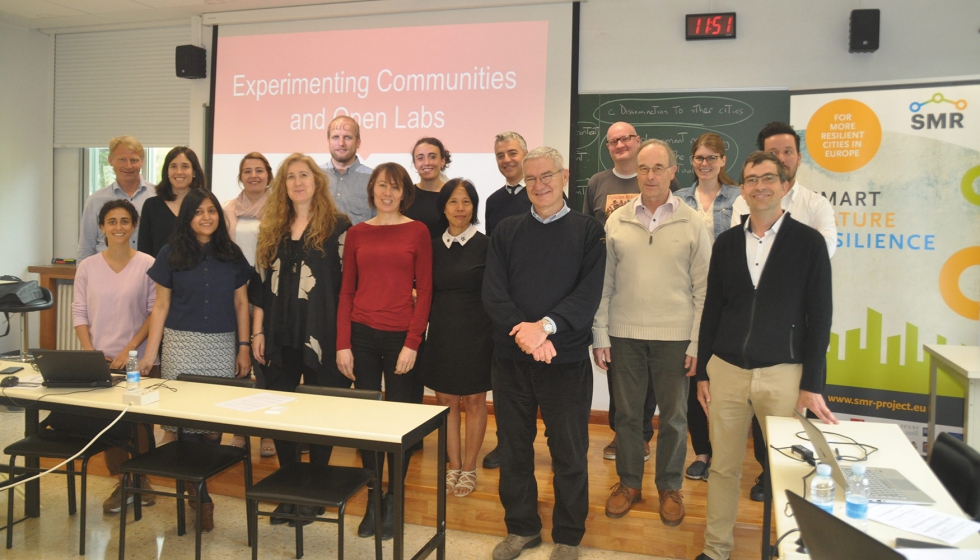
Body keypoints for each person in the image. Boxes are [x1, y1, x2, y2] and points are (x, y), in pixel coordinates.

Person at [694, 151, 837, 560]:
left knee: (790, 472)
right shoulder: (725, 244)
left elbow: (820, 317)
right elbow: (712, 311)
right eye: (752, 179)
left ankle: (790, 550)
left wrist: (812, 384)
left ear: (785, 186)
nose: (760, 186)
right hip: (727, 372)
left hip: (784, 376)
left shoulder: (808, 243)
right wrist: (704, 371)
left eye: (769, 178)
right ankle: (715, 549)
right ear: (742, 188)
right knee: (723, 468)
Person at [484, 147, 605, 560]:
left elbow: (587, 296)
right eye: (531, 178)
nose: (539, 185)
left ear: (564, 176)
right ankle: (522, 530)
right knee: (514, 448)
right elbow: (494, 293)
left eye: (547, 176)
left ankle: (568, 537)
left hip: (565, 362)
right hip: (512, 360)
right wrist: (527, 334)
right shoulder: (506, 230)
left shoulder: (589, 231)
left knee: (569, 452)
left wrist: (545, 328)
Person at [593, 139, 711, 524]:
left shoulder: (693, 222)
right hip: (625, 333)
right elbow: (604, 283)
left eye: (658, 168)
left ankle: (669, 486)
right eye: (644, 168)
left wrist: (697, 341)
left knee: (675, 417)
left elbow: (704, 289)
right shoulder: (617, 220)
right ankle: (628, 483)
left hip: (675, 337)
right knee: (626, 416)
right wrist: (601, 332)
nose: (650, 175)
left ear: (673, 171)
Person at [730, 122, 838, 501]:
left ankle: (784, 485)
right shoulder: (744, 206)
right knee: (759, 423)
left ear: (795, 160)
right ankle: (764, 475)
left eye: (786, 152)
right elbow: (741, 267)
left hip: (796, 338)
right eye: (772, 153)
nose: (779, 159)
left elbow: (820, 260)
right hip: (752, 336)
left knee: (788, 428)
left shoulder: (816, 206)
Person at [138, 188, 254, 533]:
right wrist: (150, 353)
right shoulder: (170, 252)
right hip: (181, 346)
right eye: (199, 211)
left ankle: (194, 487)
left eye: (212, 211)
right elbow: (160, 307)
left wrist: (244, 346)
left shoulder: (231, 253)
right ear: (187, 217)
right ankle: (201, 497)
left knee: (213, 431)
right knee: (186, 430)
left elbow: (241, 304)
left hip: (221, 345)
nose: (206, 217)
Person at [250, 153, 353, 524]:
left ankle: (315, 490)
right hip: (279, 333)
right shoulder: (273, 226)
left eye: (303, 175)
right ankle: (290, 486)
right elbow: (261, 286)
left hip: (322, 332)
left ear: (317, 181)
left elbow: (346, 288)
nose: (297, 182)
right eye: (290, 176)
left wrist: (345, 340)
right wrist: (257, 331)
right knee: (282, 412)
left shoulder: (339, 226)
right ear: (284, 185)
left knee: (321, 410)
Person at [336, 162, 433, 540]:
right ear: (371, 190)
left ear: (403, 191)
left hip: (400, 338)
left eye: (394, 186)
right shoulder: (357, 233)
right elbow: (346, 291)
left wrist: (413, 342)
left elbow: (425, 291)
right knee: (365, 422)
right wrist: (342, 343)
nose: (387, 192)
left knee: (400, 421)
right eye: (380, 186)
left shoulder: (418, 231)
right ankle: (374, 496)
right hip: (360, 335)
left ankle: (394, 496)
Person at [72, 199, 158, 514]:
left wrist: (129, 350)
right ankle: (124, 481)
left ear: (133, 226)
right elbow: (79, 312)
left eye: (124, 221)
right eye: (112, 221)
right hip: (100, 357)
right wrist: (90, 352)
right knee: (109, 424)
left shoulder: (148, 263)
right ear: (102, 227)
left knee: (137, 422)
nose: (118, 227)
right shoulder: (88, 266)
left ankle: (142, 479)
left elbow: (153, 313)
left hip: (138, 357)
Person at [582, 121, 657, 464]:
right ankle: (619, 433)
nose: (620, 144)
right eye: (613, 141)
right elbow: (585, 233)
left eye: (626, 138)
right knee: (616, 367)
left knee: (650, 368)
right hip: (609, 289)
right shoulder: (597, 182)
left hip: (651, 288)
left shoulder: (653, 180)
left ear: (638, 141)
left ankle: (642, 434)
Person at [674, 133, 741, 482]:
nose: (705, 164)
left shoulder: (740, 197)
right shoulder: (679, 199)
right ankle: (702, 452)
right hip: (690, 299)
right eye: (699, 158)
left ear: (723, 161)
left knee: (724, 381)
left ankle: (728, 454)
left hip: (730, 301)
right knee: (693, 375)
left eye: (711, 157)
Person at [420, 179, 492, 498]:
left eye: (466, 202)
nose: (459, 208)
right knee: (446, 402)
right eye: (453, 202)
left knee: (475, 402)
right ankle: (454, 465)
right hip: (443, 333)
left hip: (478, 333)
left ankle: (471, 466)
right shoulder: (432, 247)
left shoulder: (487, 245)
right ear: (443, 207)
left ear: (474, 207)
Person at [223, 152, 276, 456]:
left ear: (268, 175)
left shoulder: (282, 209)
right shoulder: (229, 210)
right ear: (240, 176)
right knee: (239, 364)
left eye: (259, 170)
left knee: (266, 365)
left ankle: (267, 432)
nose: (253, 175)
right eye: (247, 171)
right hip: (234, 294)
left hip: (269, 293)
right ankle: (240, 430)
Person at [77, 135, 154, 261]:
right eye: (122, 159)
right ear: (110, 160)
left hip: (146, 274)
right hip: (105, 273)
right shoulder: (95, 201)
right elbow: (86, 248)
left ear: (142, 161)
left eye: (134, 160)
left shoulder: (158, 196)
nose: (128, 166)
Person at [138, 146, 206, 257]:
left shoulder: (205, 205)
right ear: (167, 172)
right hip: (160, 273)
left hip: (198, 272)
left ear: (194, 172)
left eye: (185, 166)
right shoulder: (151, 206)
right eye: (173, 166)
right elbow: (144, 251)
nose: (179, 172)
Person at [320, 115, 376, 225]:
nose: (341, 143)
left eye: (347, 137)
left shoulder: (374, 179)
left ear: (358, 142)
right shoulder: (314, 176)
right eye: (335, 137)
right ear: (328, 141)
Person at [484, 132, 530, 236]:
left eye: (512, 153)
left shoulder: (541, 195)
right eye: (500, 156)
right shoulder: (493, 201)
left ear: (526, 155)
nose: (506, 160)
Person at [404, 137, 450, 238]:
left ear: (442, 161)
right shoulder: (406, 195)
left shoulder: (452, 195)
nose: (427, 163)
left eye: (432, 157)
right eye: (420, 158)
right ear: (415, 164)